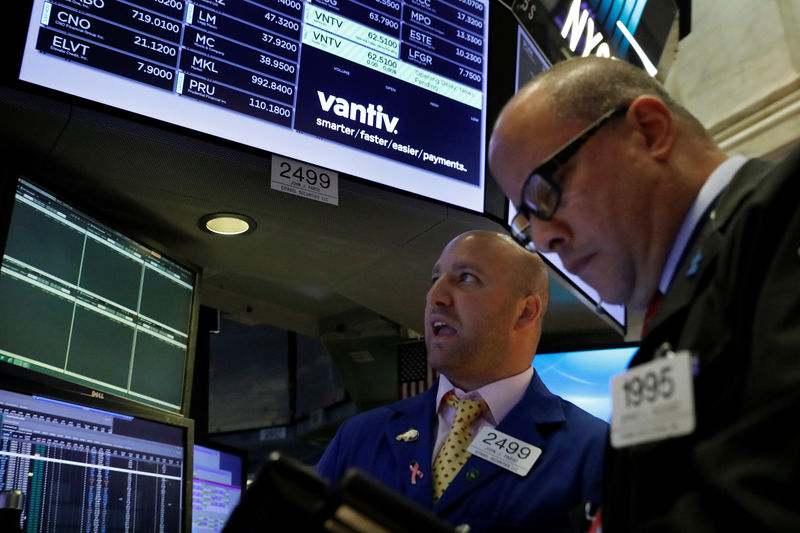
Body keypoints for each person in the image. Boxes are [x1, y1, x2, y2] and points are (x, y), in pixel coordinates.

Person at [488, 55, 800, 532]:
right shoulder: (671, 319)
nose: (545, 238)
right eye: (528, 226)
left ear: (650, 131)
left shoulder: (787, 210)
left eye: (545, 193)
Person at [316, 230, 608, 532]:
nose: (435, 297)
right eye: (435, 280)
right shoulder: (359, 437)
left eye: (466, 278)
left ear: (525, 311)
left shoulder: (594, 452)